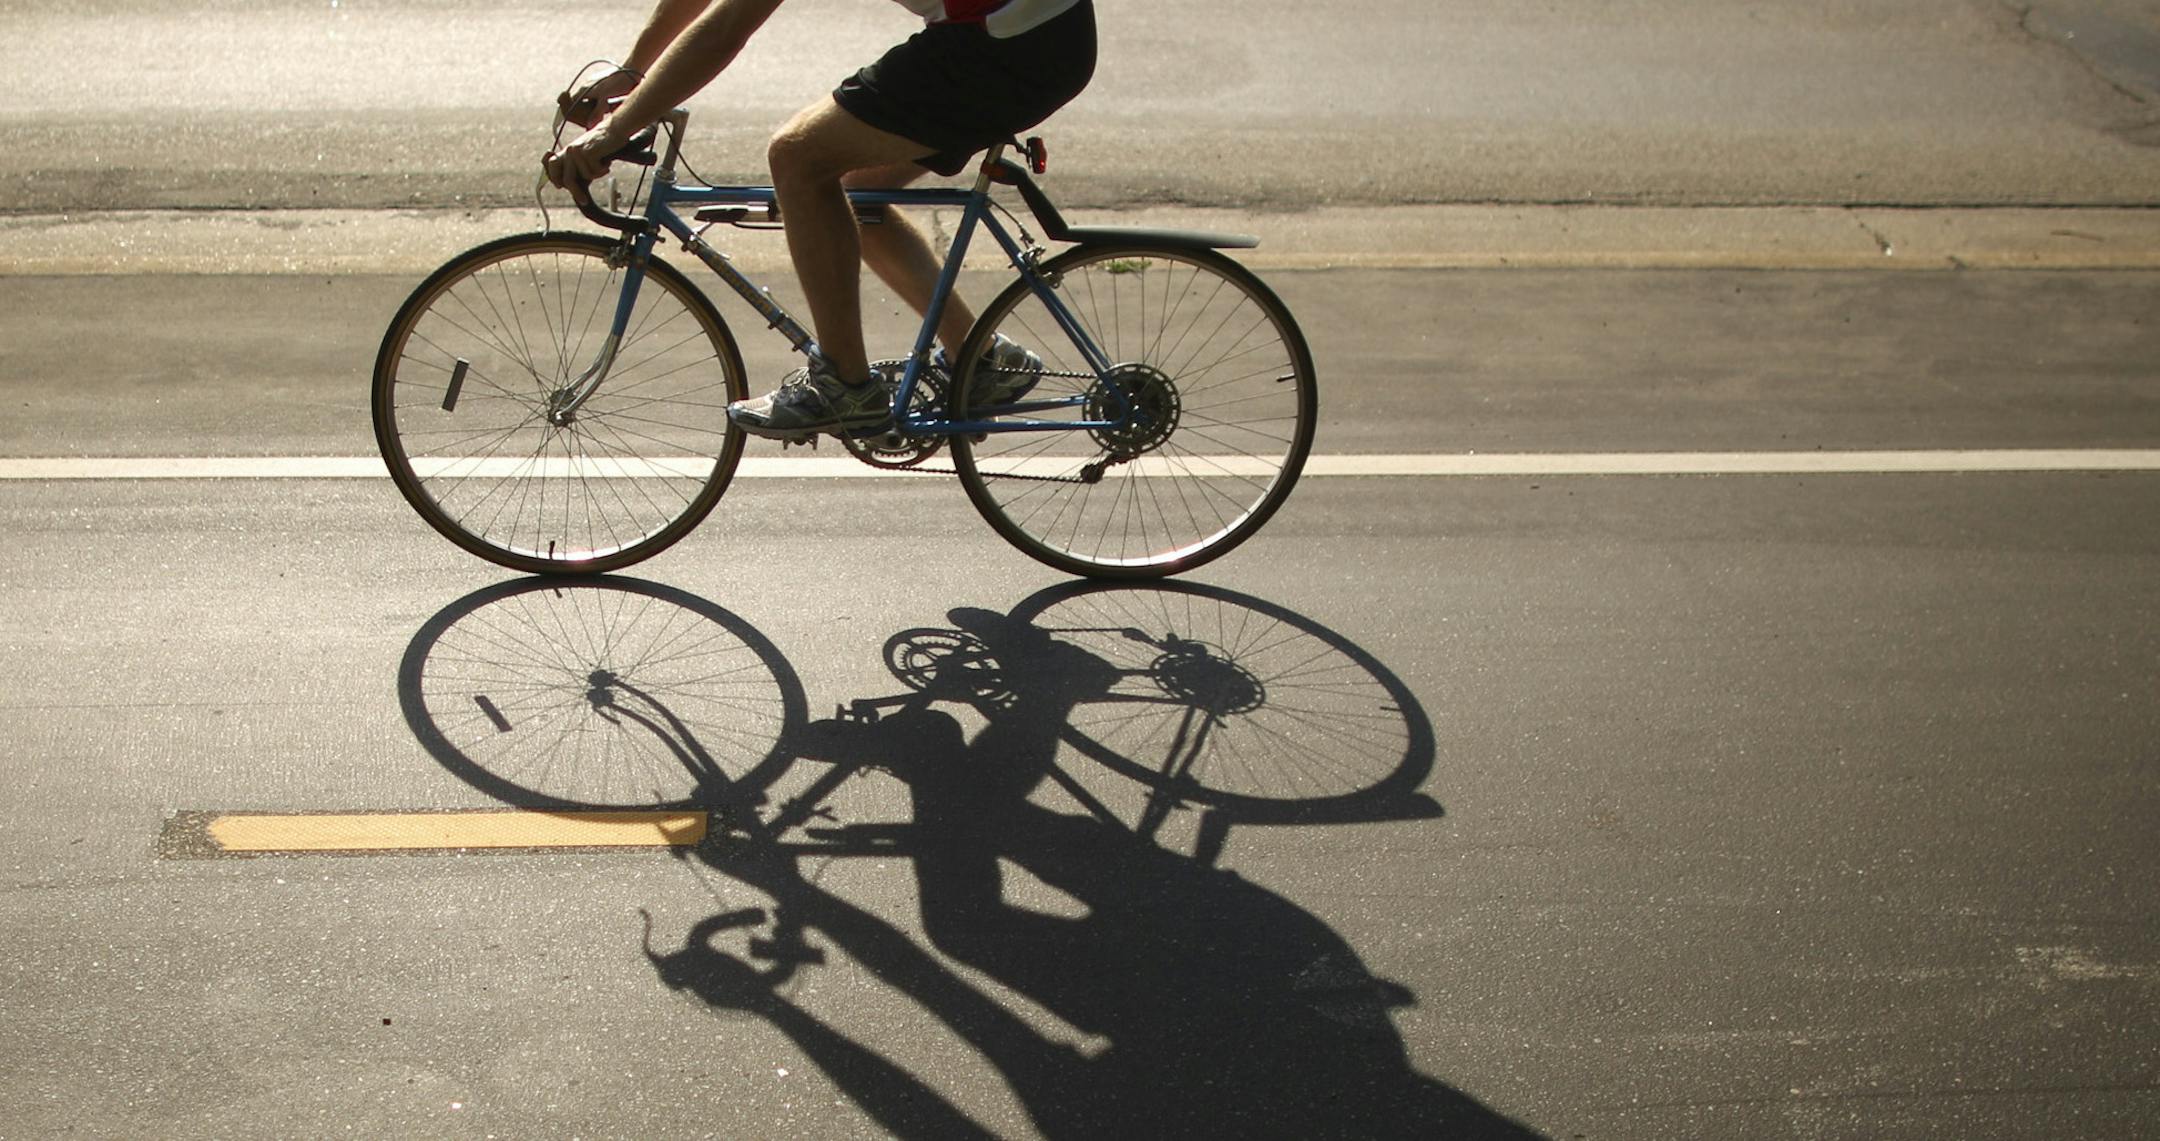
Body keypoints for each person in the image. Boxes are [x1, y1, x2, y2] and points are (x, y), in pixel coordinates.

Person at [543, 0, 1096, 442]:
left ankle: (845, 386)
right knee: (857, 198)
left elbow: (729, 25)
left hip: (1008, 43)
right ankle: (982, 359)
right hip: (1032, 33)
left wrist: (612, 133)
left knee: (799, 157)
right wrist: (637, 73)